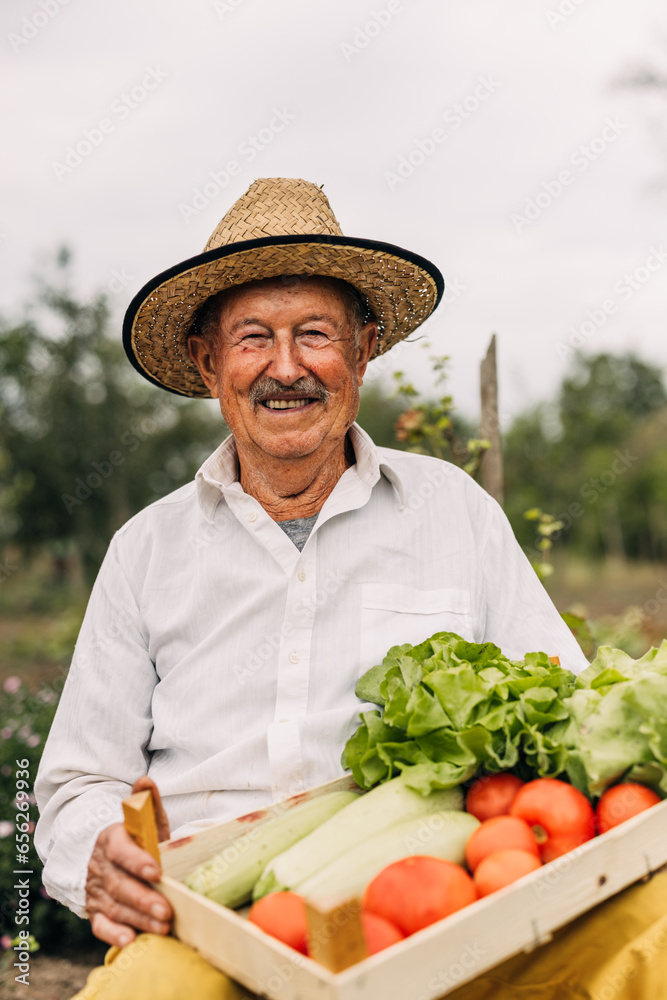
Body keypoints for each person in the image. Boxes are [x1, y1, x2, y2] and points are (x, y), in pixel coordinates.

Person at [35, 178, 665, 1000]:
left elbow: (559, 700)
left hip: (449, 910)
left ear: (363, 351)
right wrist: (96, 855)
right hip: (214, 923)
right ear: (208, 361)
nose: (285, 367)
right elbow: (74, 786)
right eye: (253, 336)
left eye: (316, 335)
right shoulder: (146, 550)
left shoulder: (453, 512)